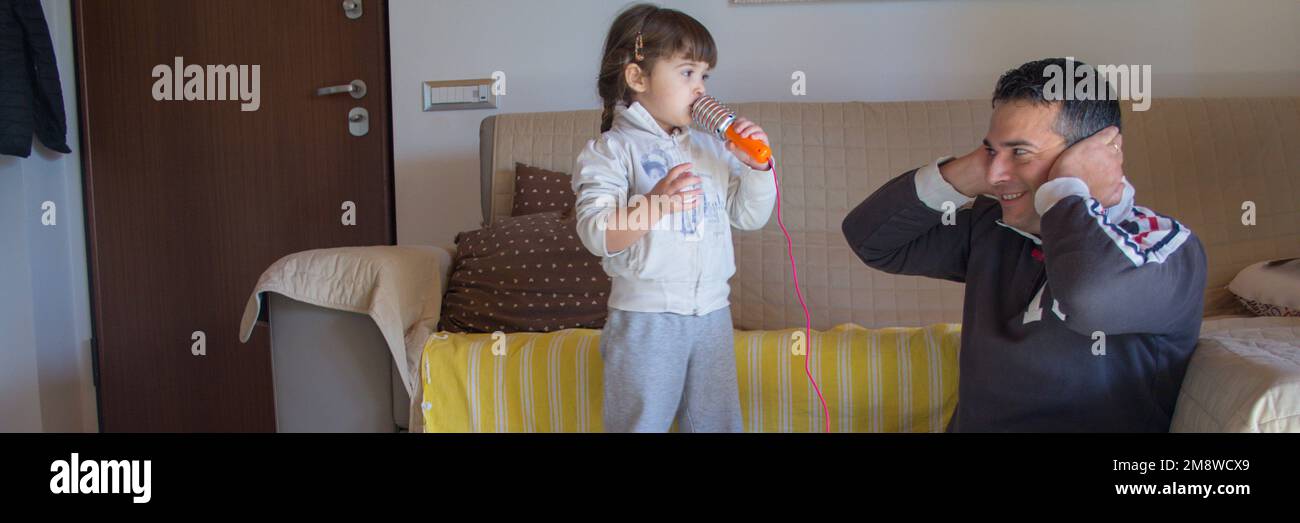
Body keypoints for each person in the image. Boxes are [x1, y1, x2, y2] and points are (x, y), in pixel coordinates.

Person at [842, 58, 1207, 432]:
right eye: (990, 151)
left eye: (1020, 152)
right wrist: (970, 171)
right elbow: (871, 240)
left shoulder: (1164, 246)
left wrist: (1065, 191)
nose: (996, 174)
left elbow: (1088, 298)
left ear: (1096, 154)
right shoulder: (992, 227)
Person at [571, 4, 777, 432]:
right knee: (641, 423)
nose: (700, 89)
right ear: (637, 77)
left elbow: (749, 216)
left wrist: (758, 171)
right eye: (687, 73)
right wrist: (656, 203)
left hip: (713, 316)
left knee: (717, 423)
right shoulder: (611, 151)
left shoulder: (710, 150)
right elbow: (597, 233)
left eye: (705, 76)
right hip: (646, 321)